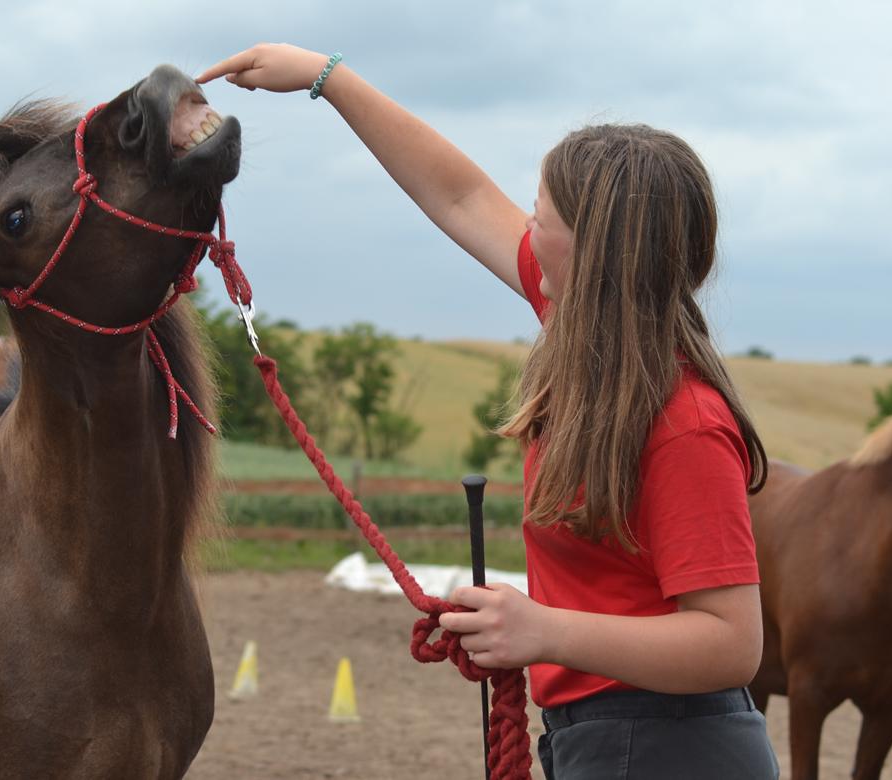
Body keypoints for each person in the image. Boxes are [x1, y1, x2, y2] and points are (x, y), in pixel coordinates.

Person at [197, 44, 779, 779]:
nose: (524, 229)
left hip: (668, 747)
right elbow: (459, 196)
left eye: (541, 217)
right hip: (605, 737)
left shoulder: (684, 424)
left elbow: (731, 643)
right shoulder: (583, 325)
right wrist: (325, 76)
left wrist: (542, 630)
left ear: (590, 255)